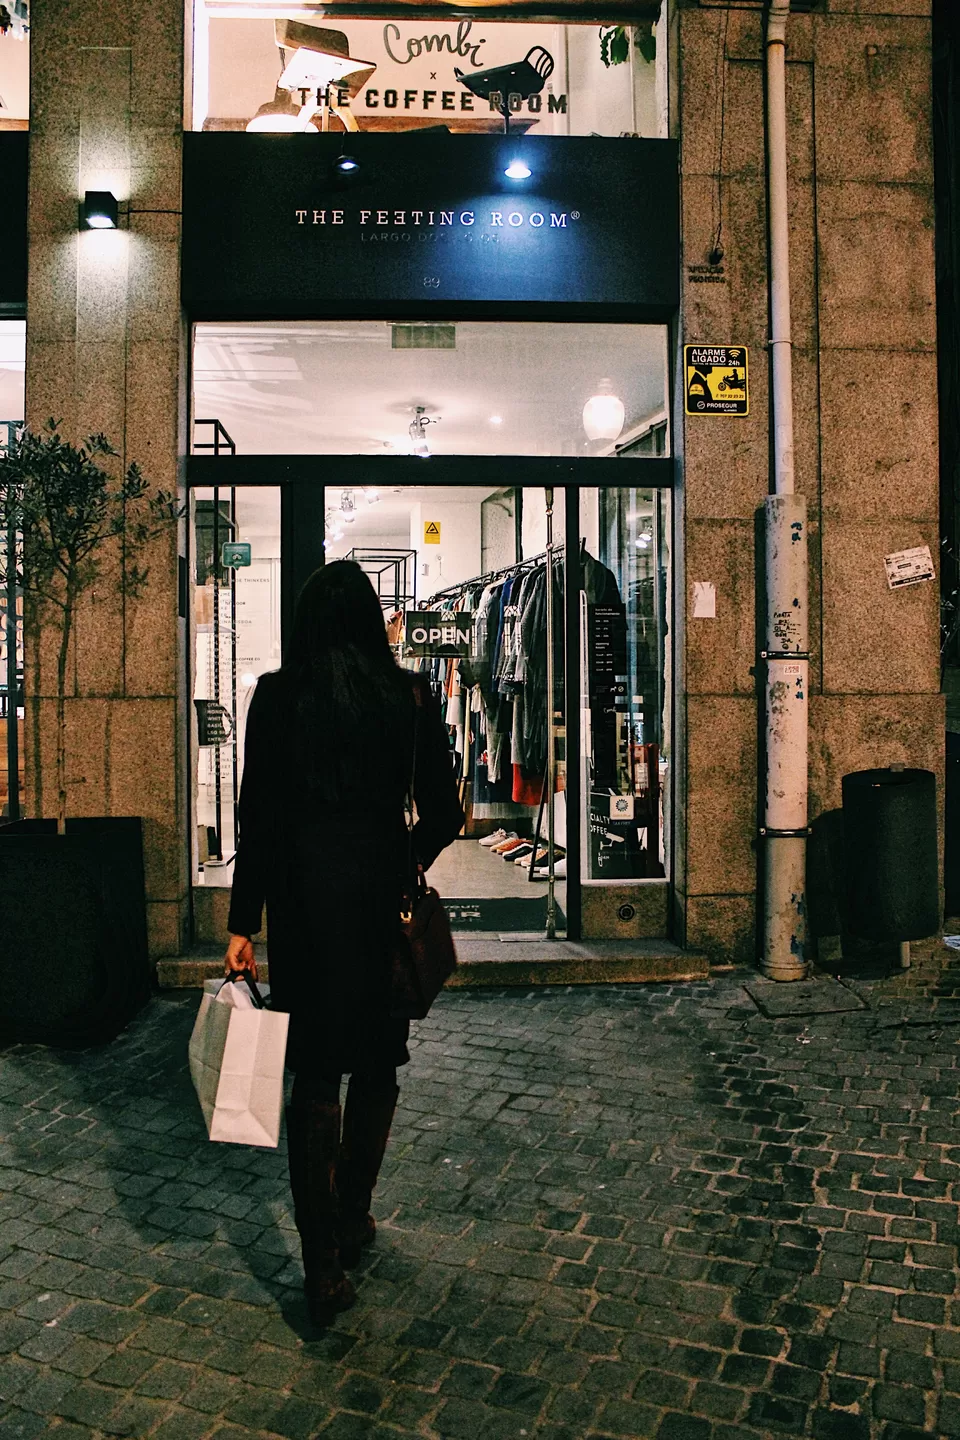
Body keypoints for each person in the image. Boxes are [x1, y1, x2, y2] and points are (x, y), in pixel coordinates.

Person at [224, 561, 464, 1323]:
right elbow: (445, 812)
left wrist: (241, 923)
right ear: (368, 620)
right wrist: (405, 861)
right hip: (376, 906)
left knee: (316, 1077)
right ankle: (354, 1212)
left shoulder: (275, 697)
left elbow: (255, 820)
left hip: (301, 910)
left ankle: (320, 1265)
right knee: (379, 1066)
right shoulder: (408, 697)